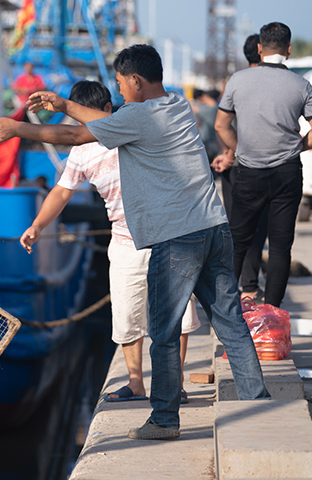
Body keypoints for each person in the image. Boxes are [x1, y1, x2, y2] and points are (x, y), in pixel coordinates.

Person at [0, 44, 269, 440]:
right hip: (213, 227)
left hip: (177, 236)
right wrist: (63, 102)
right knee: (230, 322)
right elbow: (97, 121)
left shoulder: (137, 117)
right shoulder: (178, 106)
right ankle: (259, 402)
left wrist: (19, 128)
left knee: (163, 332)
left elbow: (78, 134)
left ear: (134, 80)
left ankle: (165, 420)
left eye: (120, 83)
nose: (118, 92)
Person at [17, 80, 201, 404]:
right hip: (124, 241)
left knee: (177, 313)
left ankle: (174, 381)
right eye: (77, 120)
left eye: (87, 116)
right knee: (127, 314)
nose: (83, 126)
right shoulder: (81, 151)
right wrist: (37, 225)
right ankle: (135, 382)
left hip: (168, 234)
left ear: (107, 111)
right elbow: (61, 192)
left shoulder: (133, 130)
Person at [215, 22, 312, 308]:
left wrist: (242, 149)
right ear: (288, 51)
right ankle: (272, 312)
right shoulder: (301, 85)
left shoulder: (237, 81)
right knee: (280, 247)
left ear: (259, 49)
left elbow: (221, 124)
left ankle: (226, 309)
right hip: (287, 174)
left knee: (238, 243)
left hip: (248, 172)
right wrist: (294, 148)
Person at [211, 33, 269, 302]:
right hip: (265, 165)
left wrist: (230, 153)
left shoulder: (236, 82)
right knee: (259, 228)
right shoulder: (275, 82)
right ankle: (250, 286)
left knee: (235, 228)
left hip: (236, 165)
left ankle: (231, 288)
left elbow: (223, 124)